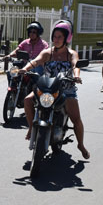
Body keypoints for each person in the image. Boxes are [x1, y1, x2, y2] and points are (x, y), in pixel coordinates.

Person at [21, 19, 89, 160]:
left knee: (76, 118)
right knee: (27, 100)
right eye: (55, 36)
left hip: (66, 89)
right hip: (47, 87)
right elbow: (36, 61)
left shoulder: (71, 54)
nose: (56, 39)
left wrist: (76, 76)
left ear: (66, 39)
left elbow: (76, 65)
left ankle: (81, 145)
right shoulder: (47, 53)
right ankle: (31, 127)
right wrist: (25, 69)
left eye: (60, 37)